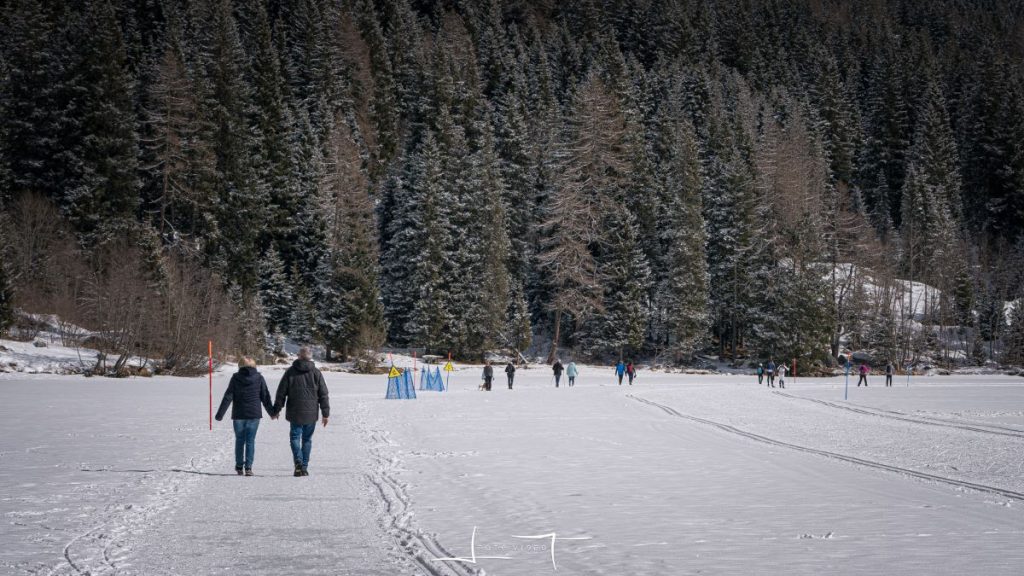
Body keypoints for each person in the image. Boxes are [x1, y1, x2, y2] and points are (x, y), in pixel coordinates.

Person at [273, 347, 330, 477]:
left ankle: (298, 461)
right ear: (310, 357)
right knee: (307, 439)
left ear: (299, 356)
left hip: (295, 412)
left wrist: (276, 409)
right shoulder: (316, 373)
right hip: (310, 413)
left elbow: (281, 393)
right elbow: (324, 394)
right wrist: (325, 414)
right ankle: (303, 466)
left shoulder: (290, 372)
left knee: (294, 437)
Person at [215, 357, 274, 476]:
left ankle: (238, 466)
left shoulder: (236, 378)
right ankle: (248, 468)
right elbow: (265, 396)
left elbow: (228, 396)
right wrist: (272, 412)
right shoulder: (259, 378)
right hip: (254, 414)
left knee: (240, 440)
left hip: (239, 414)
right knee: (250, 441)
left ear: (240, 366)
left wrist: (220, 414)